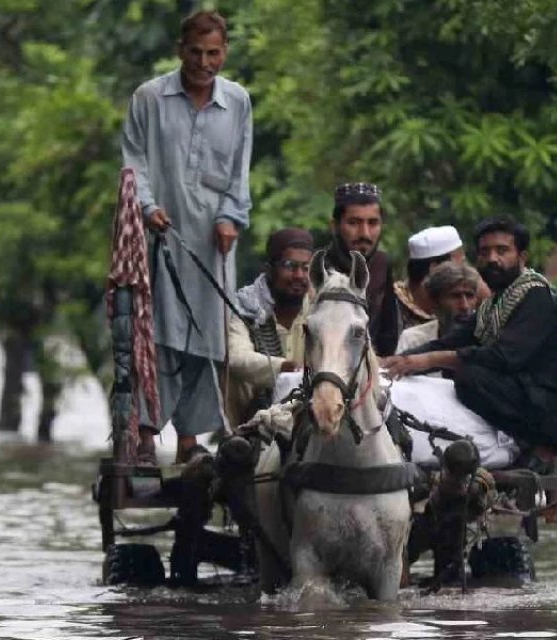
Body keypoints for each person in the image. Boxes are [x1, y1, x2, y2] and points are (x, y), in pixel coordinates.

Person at [121, 9, 253, 462]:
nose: (203, 62)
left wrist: (231, 218)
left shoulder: (238, 101)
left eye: (213, 53)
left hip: (214, 245)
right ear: (180, 51)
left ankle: (190, 443)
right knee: (157, 332)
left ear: (225, 53)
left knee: (211, 340)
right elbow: (133, 161)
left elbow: (239, 172)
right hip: (160, 236)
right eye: (195, 52)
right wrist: (147, 206)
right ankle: (143, 432)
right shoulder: (149, 98)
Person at [382, 215, 557, 463]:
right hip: (530, 397)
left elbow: (504, 357)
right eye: (485, 252)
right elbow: (451, 342)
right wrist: (395, 362)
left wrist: (428, 360)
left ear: (521, 257)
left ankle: (528, 446)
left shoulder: (536, 295)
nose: (493, 258)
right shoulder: (494, 304)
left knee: (469, 375)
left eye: (502, 250)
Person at [225, 228, 313, 425]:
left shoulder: (320, 311)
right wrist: (282, 367)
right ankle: (240, 437)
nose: (299, 275)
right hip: (255, 408)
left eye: (306, 267)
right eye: (289, 266)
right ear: (269, 269)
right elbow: (237, 357)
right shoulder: (246, 307)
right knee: (231, 371)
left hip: (309, 410)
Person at [324, 182, 400, 356]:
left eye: (373, 223)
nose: (364, 233)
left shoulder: (382, 264)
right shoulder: (319, 268)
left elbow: (388, 333)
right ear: (335, 226)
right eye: (354, 223)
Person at [396, 262, 482, 355]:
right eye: (455, 296)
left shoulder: (489, 339)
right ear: (435, 301)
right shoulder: (413, 339)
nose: (464, 306)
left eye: (469, 296)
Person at [394, 226, 466, 331]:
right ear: (435, 269)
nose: (465, 273)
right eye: (460, 265)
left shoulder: (461, 306)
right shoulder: (389, 310)